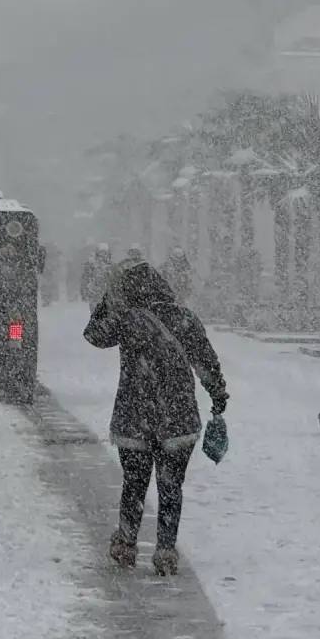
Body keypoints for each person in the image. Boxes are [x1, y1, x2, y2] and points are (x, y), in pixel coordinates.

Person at [83, 259, 228, 576]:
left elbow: (93, 334)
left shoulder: (126, 321)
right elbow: (206, 362)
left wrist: (110, 300)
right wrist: (218, 394)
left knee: (134, 485)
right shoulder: (184, 319)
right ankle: (165, 551)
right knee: (171, 486)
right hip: (177, 417)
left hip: (135, 416)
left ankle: (126, 543)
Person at [80, 243, 111, 311]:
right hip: (94, 295)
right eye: (101, 253)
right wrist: (84, 292)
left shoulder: (111, 266)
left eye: (105, 253)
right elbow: (85, 279)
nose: (103, 255)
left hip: (107, 296)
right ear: (97, 253)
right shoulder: (91, 265)